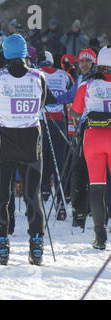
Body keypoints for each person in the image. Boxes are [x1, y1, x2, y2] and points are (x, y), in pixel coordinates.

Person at [0, 34, 57, 266]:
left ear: (5, 53)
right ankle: (36, 247)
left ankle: (2, 245)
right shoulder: (38, 76)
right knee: (33, 198)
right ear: (25, 54)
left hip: (3, 146)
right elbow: (47, 100)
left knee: (0, 196)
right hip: (31, 145)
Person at [71, 45, 111, 250]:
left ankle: (100, 236)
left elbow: (76, 111)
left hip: (93, 137)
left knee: (96, 188)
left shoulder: (87, 84)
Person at [38, 50, 73, 221]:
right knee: (59, 163)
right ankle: (61, 204)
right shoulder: (64, 75)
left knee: (40, 160)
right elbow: (72, 94)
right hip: (58, 122)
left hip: (41, 122)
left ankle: (41, 196)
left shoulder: (35, 74)